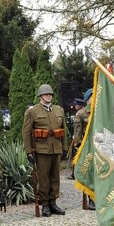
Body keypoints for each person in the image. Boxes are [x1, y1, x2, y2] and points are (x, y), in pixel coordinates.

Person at [22, 84, 69, 217]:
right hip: (41, 149)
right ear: (40, 96)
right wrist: (28, 151)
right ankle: (45, 204)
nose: (48, 96)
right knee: (43, 178)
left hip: (56, 148)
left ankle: (53, 202)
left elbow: (63, 131)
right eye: (45, 94)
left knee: (55, 177)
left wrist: (64, 148)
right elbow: (26, 132)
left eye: (50, 94)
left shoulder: (59, 110)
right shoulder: (32, 111)